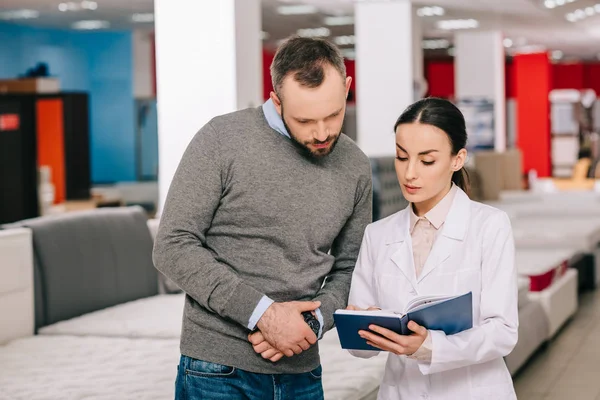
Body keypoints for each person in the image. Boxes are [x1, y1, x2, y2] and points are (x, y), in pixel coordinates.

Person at [153, 36, 373, 400]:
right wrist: (264, 314)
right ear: (276, 99)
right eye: (305, 120)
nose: (322, 133)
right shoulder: (221, 140)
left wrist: (312, 323)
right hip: (216, 370)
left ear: (347, 87)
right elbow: (172, 246)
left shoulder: (355, 165)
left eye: (334, 114)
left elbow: (354, 267)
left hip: (302, 368)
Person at [346, 97, 518, 399]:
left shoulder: (490, 226)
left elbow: (503, 331)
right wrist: (362, 327)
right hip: (401, 390)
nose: (410, 173)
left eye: (427, 161)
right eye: (401, 157)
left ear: (457, 159)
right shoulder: (377, 235)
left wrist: (431, 348)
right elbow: (361, 352)